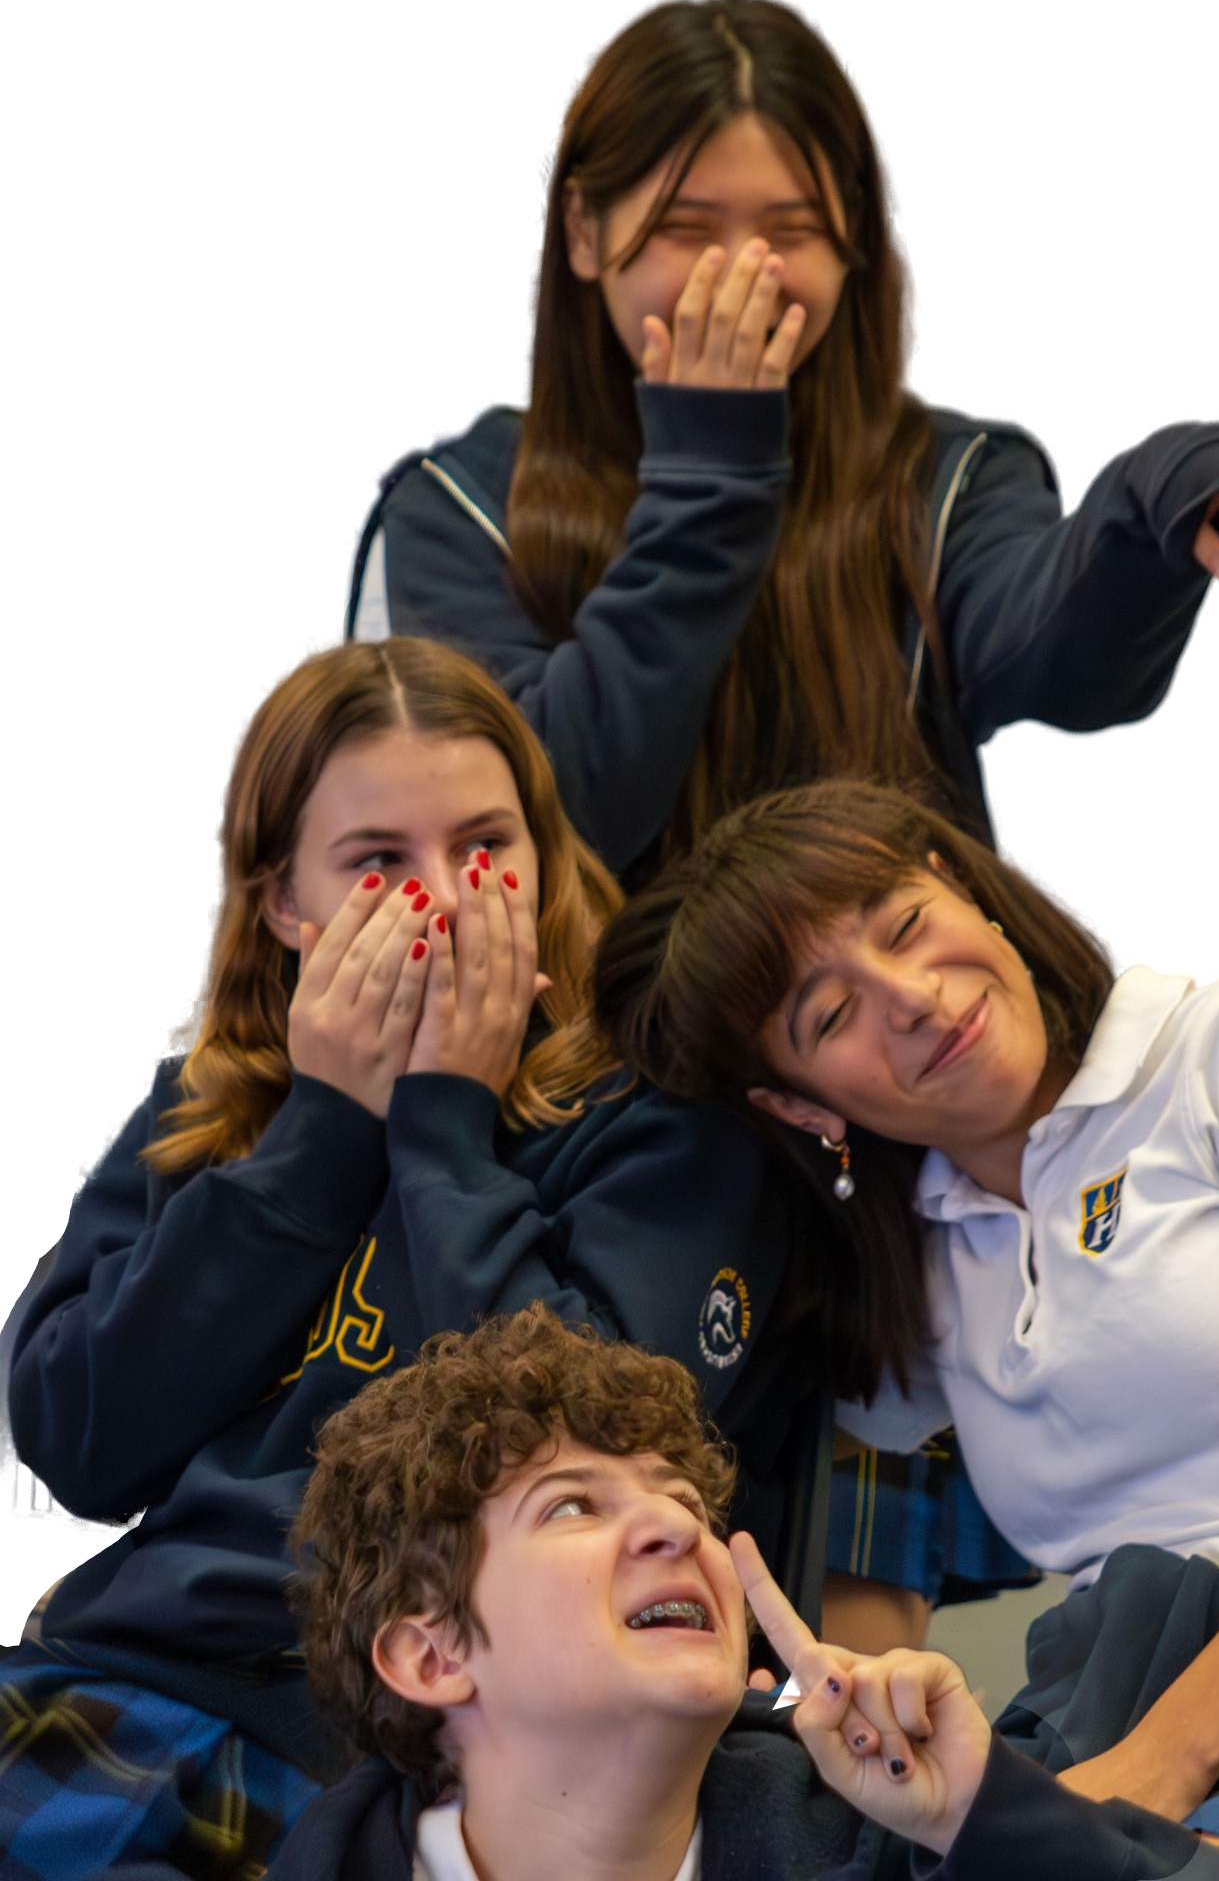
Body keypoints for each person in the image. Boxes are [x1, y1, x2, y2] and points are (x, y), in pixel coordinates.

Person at [590, 776, 1219, 1880]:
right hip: (1119, 1680)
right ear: (799, 1105)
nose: (910, 995)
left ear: (962, 886)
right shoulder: (921, 1265)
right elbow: (784, 1465)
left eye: (904, 925)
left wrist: (1164, 1760)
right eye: (830, 1016)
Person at [0, 636, 818, 1881]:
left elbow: (599, 1441)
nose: (442, 898)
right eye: (378, 862)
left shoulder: (661, 1118)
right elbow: (67, 1442)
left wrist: (441, 1123)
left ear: (546, 858)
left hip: (408, 1740)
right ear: (286, 904)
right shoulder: (214, 1100)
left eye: (486, 846)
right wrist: (323, 1131)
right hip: (111, 1670)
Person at [343, 0, 1219, 894]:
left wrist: (1163, 494)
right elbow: (537, 830)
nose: (743, 273)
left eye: (791, 228)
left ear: (850, 241)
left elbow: (1071, 675)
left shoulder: (946, 474)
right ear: (586, 233)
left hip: (897, 1005)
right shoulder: (458, 507)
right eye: (686, 227)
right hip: (598, 1024)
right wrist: (710, 480)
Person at [270, 1302, 1219, 1879]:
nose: (678, 1528)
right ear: (430, 1656)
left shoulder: (880, 1842)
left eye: (682, 1500)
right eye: (572, 1506)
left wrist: (978, 1815)